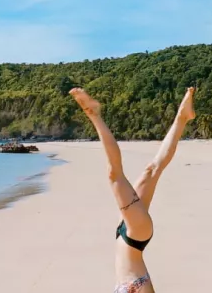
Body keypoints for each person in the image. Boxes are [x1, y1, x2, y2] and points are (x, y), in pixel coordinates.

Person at [69, 87, 194, 293]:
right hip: (135, 263)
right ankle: (94, 114)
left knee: (149, 171)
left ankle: (182, 117)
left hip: (133, 239)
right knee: (119, 175)